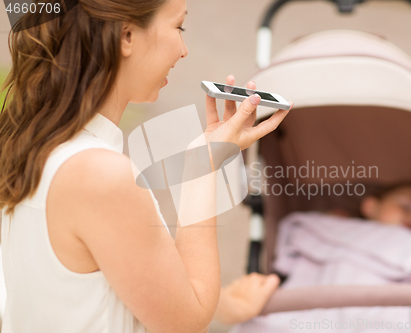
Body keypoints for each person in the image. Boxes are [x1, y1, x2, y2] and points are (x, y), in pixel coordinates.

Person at [0, 0, 292, 332]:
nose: (183, 50)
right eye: (178, 27)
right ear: (126, 36)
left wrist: (228, 304)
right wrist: (203, 165)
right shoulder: (99, 176)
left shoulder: (23, 140)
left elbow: (127, 274)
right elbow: (186, 321)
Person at [213, 184, 411, 326]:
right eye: (406, 206)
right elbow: (287, 260)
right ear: (370, 206)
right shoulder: (324, 227)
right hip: (307, 302)